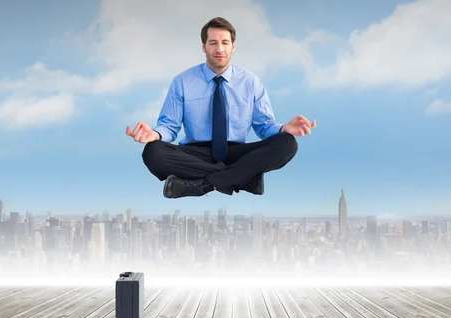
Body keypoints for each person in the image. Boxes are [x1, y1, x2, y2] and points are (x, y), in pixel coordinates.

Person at [126, 17, 316, 198]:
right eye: (213, 43)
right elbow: (170, 125)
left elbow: (264, 125)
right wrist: (156, 135)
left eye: (225, 43)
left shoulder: (251, 83)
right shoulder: (182, 82)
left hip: (236, 152)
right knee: (153, 152)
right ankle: (244, 178)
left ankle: (204, 185)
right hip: (195, 154)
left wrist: (283, 129)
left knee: (287, 143)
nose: (219, 49)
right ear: (204, 47)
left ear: (233, 47)